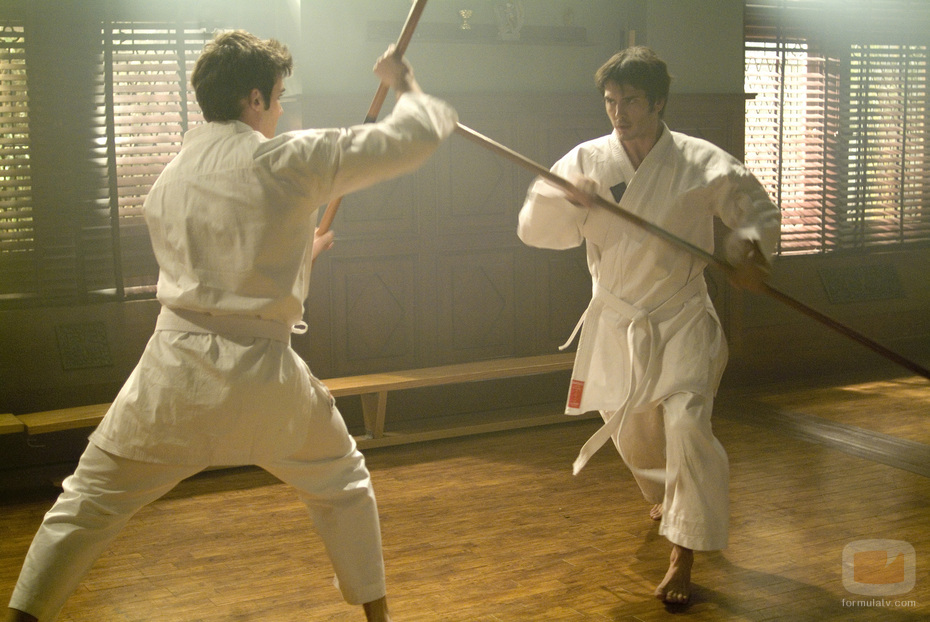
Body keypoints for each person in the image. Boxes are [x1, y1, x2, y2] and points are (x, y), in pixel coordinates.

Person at [6, 30, 457, 622]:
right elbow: (416, 136)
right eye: (278, 97)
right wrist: (406, 84)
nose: (280, 110)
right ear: (255, 98)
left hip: (172, 375)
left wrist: (301, 253)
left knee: (86, 505)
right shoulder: (280, 160)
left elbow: (222, 269)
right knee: (342, 483)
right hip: (263, 377)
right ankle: (379, 619)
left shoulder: (168, 180)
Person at [517, 46, 779, 605]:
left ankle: (682, 554)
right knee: (634, 434)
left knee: (687, 425)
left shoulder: (699, 162)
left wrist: (750, 256)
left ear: (659, 102)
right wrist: (570, 203)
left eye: (631, 101)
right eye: (611, 101)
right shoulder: (586, 161)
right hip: (618, 322)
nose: (619, 113)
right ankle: (669, 498)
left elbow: (755, 210)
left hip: (682, 316)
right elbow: (534, 228)